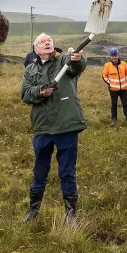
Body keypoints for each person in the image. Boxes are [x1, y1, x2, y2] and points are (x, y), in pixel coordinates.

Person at [21, 33, 86, 225]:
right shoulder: (30, 69)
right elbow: (25, 94)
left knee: (67, 171)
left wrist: (77, 58)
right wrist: (41, 91)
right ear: (35, 49)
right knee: (40, 170)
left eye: (49, 40)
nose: (47, 42)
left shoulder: (64, 60)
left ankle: (71, 214)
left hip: (66, 125)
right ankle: (34, 210)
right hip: (42, 127)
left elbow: (76, 65)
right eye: (42, 41)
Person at [101, 47, 127, 127]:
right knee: (114, 105)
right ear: (110, 56)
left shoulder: (124, 64)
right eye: (112, 55)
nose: (114, 57)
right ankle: (113, 120)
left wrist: (126, 82)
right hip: (113, 90)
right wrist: (110, 84)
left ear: (118, 55)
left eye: (115, 55)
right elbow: (104, 75)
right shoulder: (107, 65)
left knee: (125, 104)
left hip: (123, 89)